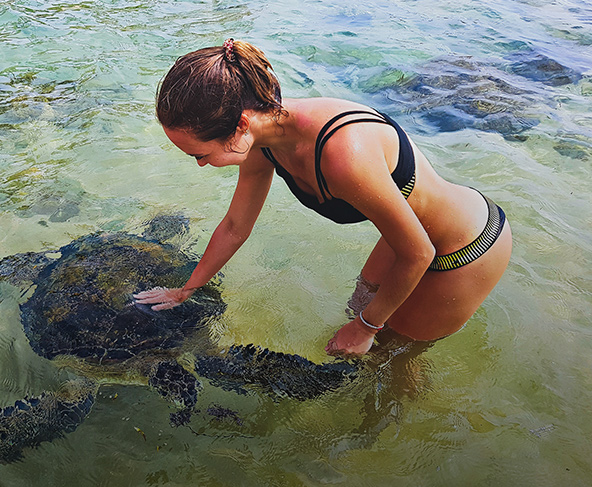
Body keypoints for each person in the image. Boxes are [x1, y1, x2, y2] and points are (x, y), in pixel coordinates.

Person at [133, 39, 512, 355]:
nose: (200, 165)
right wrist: (186, 289)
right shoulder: (262, 142)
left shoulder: (342, 156)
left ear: (241, 125)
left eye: (200, 154)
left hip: (464, 247)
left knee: (390, 355)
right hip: (410, 238)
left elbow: (420, 253)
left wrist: (366, 328)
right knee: (358, 312)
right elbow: (235, 227)